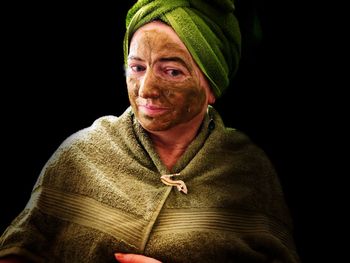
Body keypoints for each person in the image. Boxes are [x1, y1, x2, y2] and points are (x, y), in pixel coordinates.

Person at [0, 0, 300, 262]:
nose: (146, 90)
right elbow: (20, 250)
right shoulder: (80, 155)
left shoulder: (248, 171)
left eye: (172, 71)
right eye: (137, 68)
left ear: (211, 85)